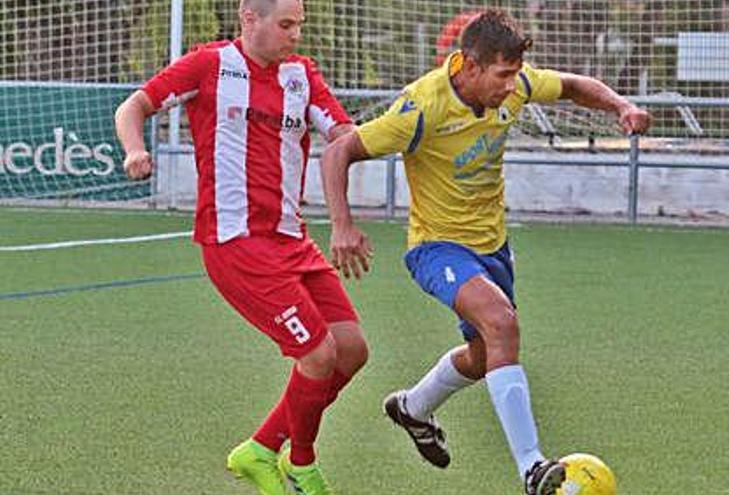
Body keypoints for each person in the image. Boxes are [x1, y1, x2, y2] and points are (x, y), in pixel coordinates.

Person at [319, 9, 651, 495]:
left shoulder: (514, 85)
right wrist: (342, 226)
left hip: (492, 245)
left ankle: (413, 407)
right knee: (502, 323)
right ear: (468, 66)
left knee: (484, 353)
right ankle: (532, 468)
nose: (511, 87)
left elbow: (574, 84)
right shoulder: (421, 107)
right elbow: (338, 151)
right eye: (502, 75)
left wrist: (621, 106)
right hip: (436, 246)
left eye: (516, 74)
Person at [114, 1, 368, 494]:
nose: (295, 35)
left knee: (352, 351)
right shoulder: (209, 65)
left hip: (292, 240)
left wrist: (392, 131)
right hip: (237, 244)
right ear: (249, 19)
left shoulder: (302, 75)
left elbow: (342, 134)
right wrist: (135, 149)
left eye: (299, 25)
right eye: (286, 24)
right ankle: (301, 463)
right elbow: (134, 106)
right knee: (318, 356)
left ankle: (259, 450)